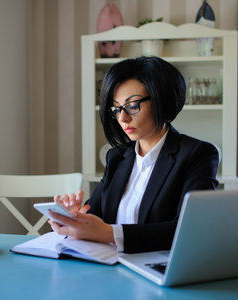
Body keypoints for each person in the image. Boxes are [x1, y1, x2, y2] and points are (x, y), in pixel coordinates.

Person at [49, 56, 219, 253]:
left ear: (161, 100)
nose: (123, 118)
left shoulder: (197, 154)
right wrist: (74, 218)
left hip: (160, 270)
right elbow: (95, 215)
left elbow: (189, 230)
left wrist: (109, 233)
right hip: (110, 268)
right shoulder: (117, 157)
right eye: (117, 108)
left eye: (132, 106)